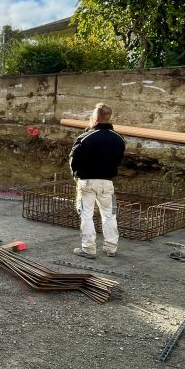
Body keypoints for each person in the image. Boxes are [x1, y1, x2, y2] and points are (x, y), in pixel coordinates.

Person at [68, 103, 125, 258]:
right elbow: (119, 159)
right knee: (110, 214)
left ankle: (88, 249)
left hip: (86, 182)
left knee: (86, 214)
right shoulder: (119, 139)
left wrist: (75, 174)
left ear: (95, 118)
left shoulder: (85, 138)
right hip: (108, 184)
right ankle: (111, 248)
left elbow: (73, 159)